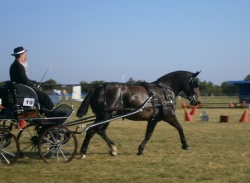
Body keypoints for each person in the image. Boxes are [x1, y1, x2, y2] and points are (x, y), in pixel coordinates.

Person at [9, 46, 62, 116]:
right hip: (23, 92)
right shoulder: (19, 66)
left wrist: (35, 82)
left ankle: (46, 112)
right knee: (44, 96)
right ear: (21, 55)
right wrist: (35, 84)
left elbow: (24, 79)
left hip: (20, 91)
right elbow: (25, 81)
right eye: (24, 54)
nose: (25, 55)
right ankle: (53, 113)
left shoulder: (14, 65)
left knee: (40, 96)